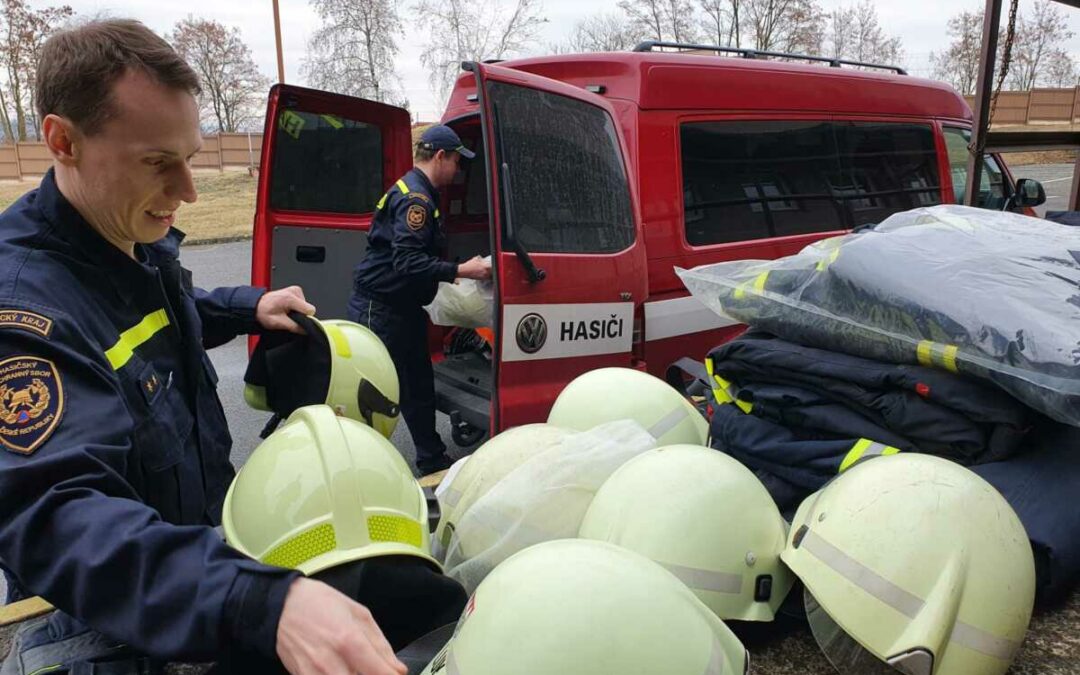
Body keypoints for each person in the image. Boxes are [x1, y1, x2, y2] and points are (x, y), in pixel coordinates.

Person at [0, 19, 405, 675]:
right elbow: (61, 514)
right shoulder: (23, 309)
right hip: (112, 637)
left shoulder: (121, 229)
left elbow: (165, 314)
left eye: (191, 157)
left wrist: (248, 307)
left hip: (199, 575)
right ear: (62, 140)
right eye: (159, 163)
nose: (187, 191)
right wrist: (256, 601)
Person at [348, 126, 491, 476]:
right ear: (440, 156)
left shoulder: (414, 188)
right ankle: (356, 470)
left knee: (417, 384)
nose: (458, 170)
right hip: (380, 310)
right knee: (373, 394)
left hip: (399, 309)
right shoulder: (417, 200)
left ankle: (431, 458)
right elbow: (407, 262)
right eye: (456, 161)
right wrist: (462, 270)